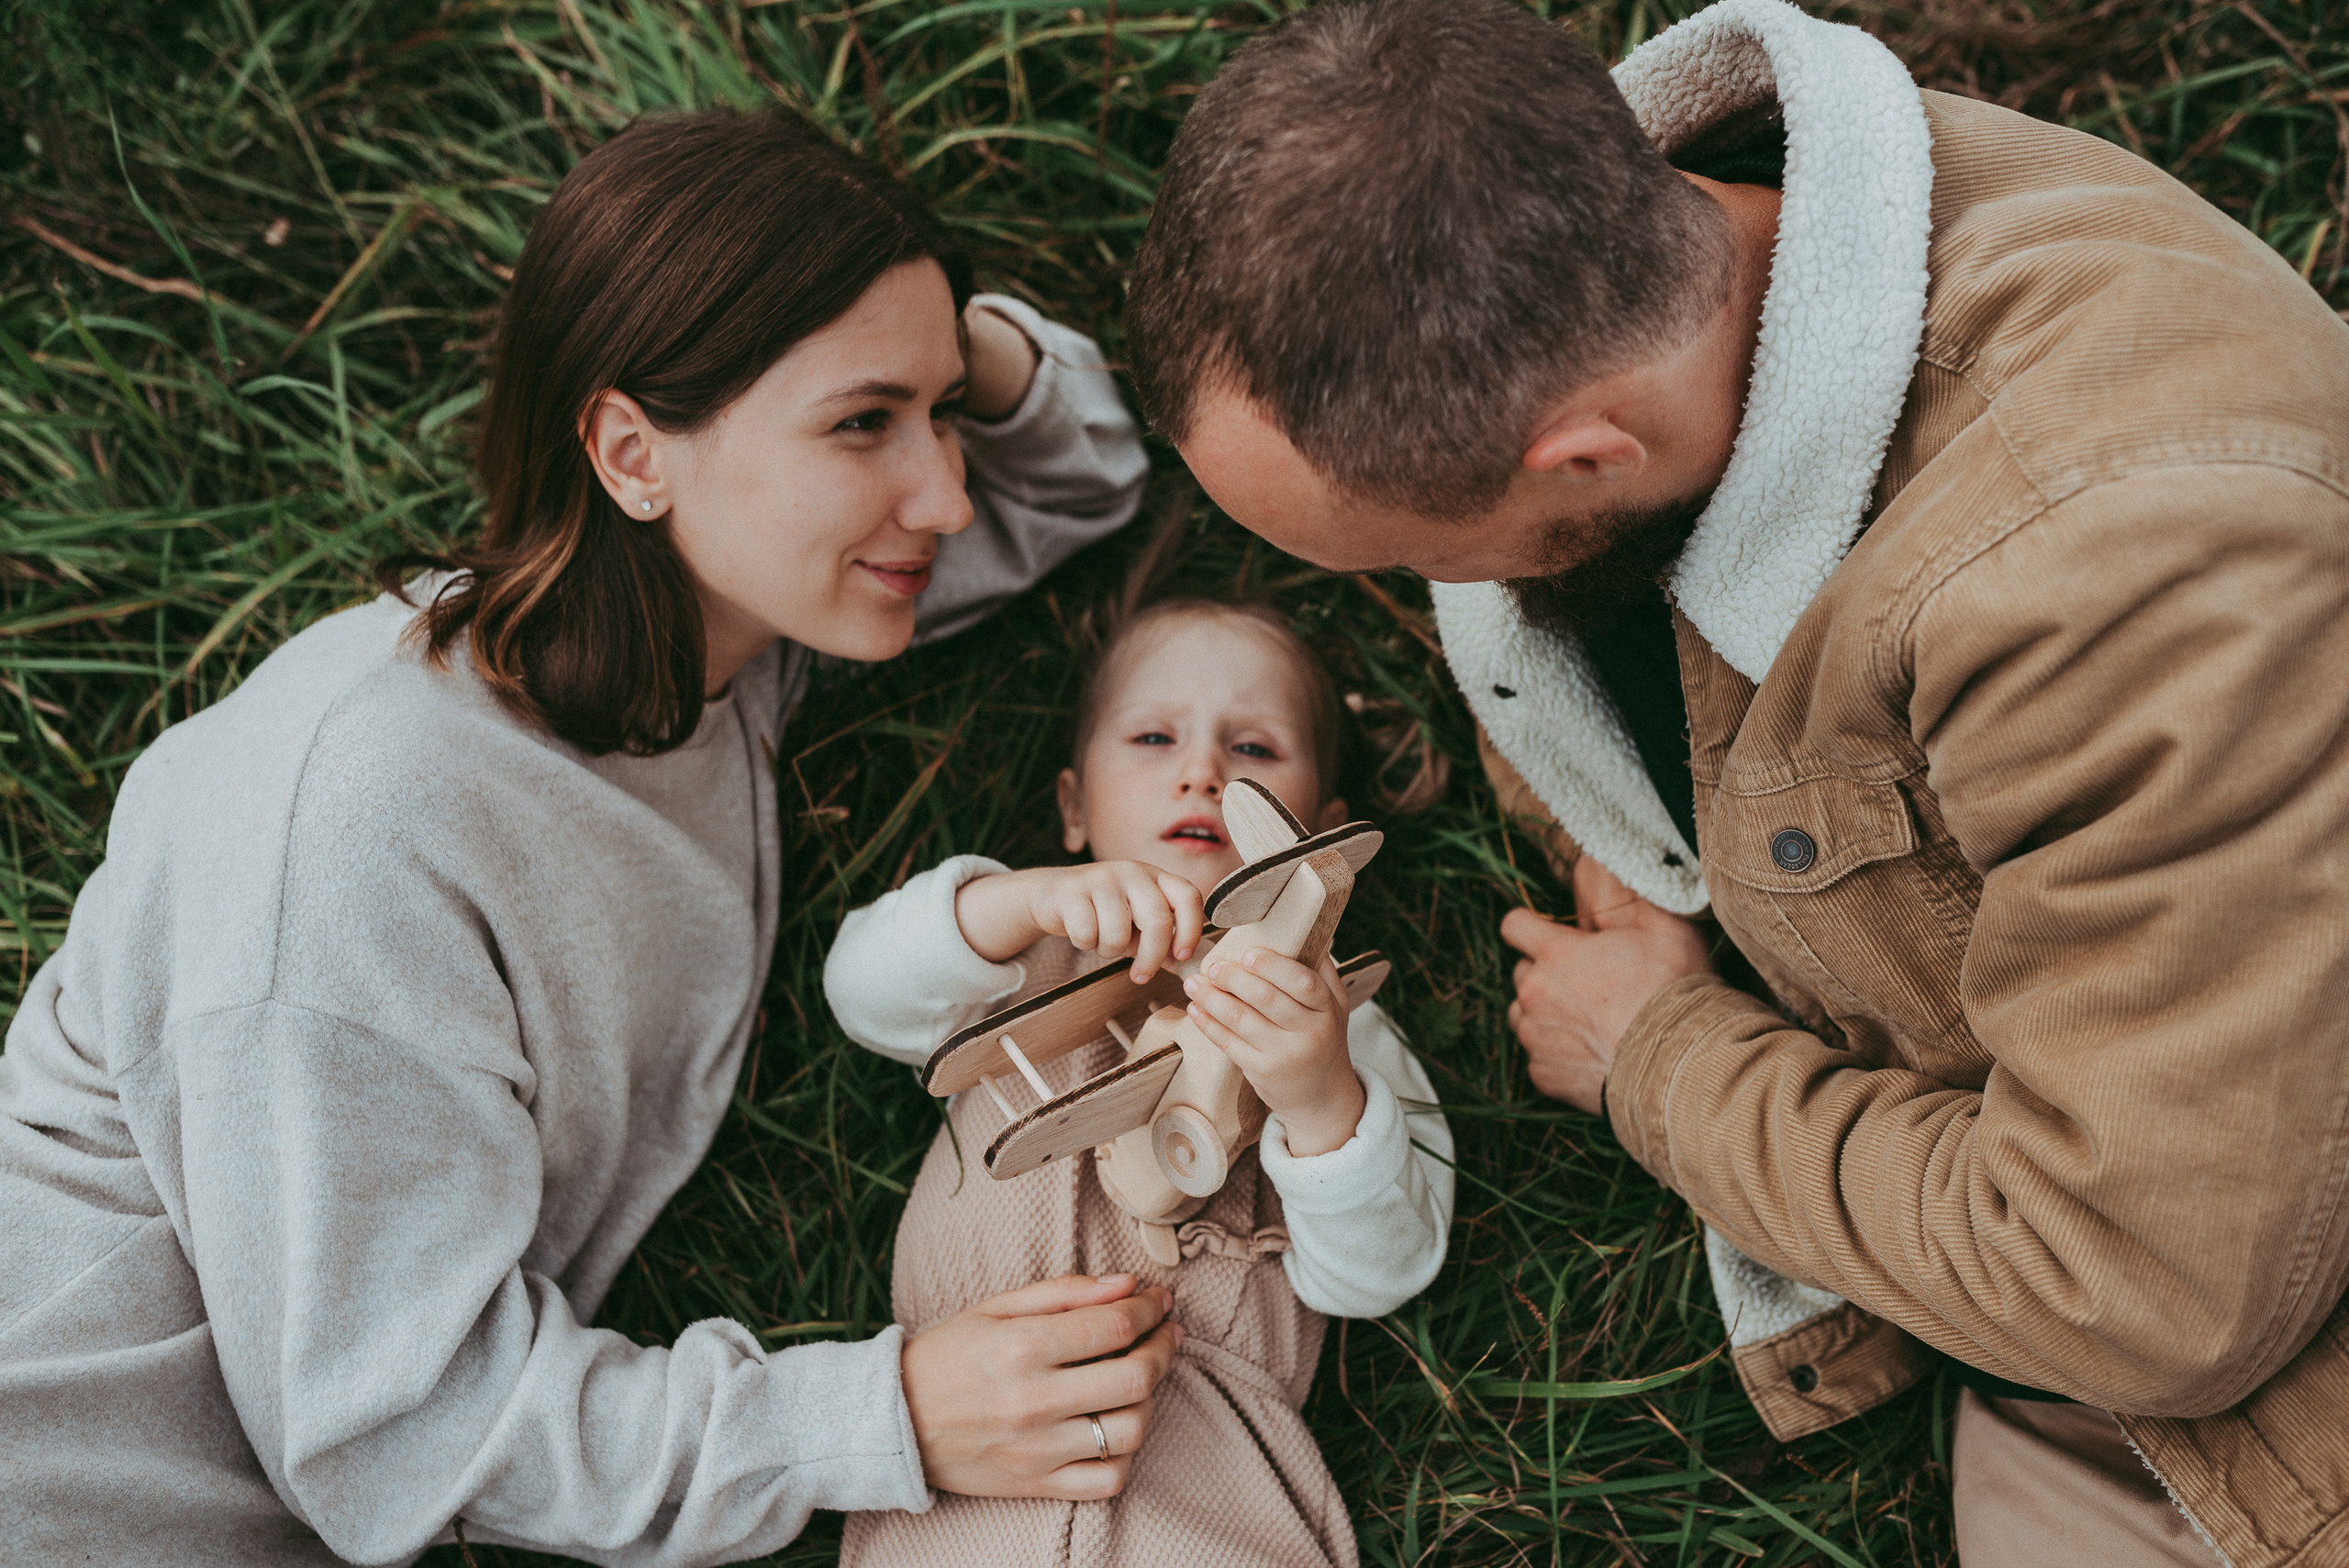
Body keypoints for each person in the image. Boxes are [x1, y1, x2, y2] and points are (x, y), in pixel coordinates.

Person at [1120, 0, 2349, 1563]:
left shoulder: (2117, 592)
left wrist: (1661, 1057)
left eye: (1421, 562)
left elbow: (2152, 1294)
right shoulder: (1676, 244)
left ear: (1585, 458)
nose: (1436, 606)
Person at [0, 106, 1172, 1566]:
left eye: (939, 415)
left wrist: (937, 328)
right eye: (863, 422)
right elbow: (391, 1423)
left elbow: (1080, 480)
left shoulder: (715, 634)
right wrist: (882, 1414)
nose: (941, 489)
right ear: (632, 450)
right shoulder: (353, 829)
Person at [823, 594, 1453, 1567]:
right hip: (967, 1446)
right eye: (1154, 736)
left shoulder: (1340, 1023)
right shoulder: (1022, 956)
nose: (1202, 771)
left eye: (1255, 750)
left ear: (1319, 830)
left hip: (1210, 1477)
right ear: (1075, 808)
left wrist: (1321, 1094)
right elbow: (859, 990)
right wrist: (1014, 900)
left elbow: (1383, 1270)